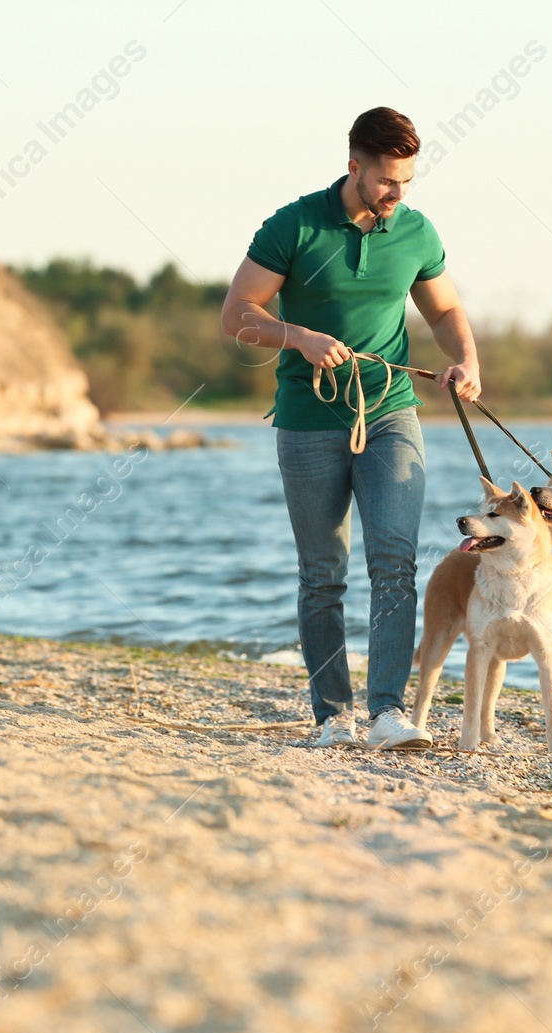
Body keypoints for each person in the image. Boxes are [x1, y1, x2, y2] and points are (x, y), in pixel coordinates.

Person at [220, 107, 481, 750]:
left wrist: (466, 359)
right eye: (388, 180)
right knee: (323, 572)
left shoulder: (415, 232)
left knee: (394, 559)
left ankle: (388, 711)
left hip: (391, 408)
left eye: (408, 182)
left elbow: (444, 308)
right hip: (309, 419)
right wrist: (299, 337)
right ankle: (332, 717)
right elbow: (237, 315)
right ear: (354, 167)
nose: (398, 194)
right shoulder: (294, 224)